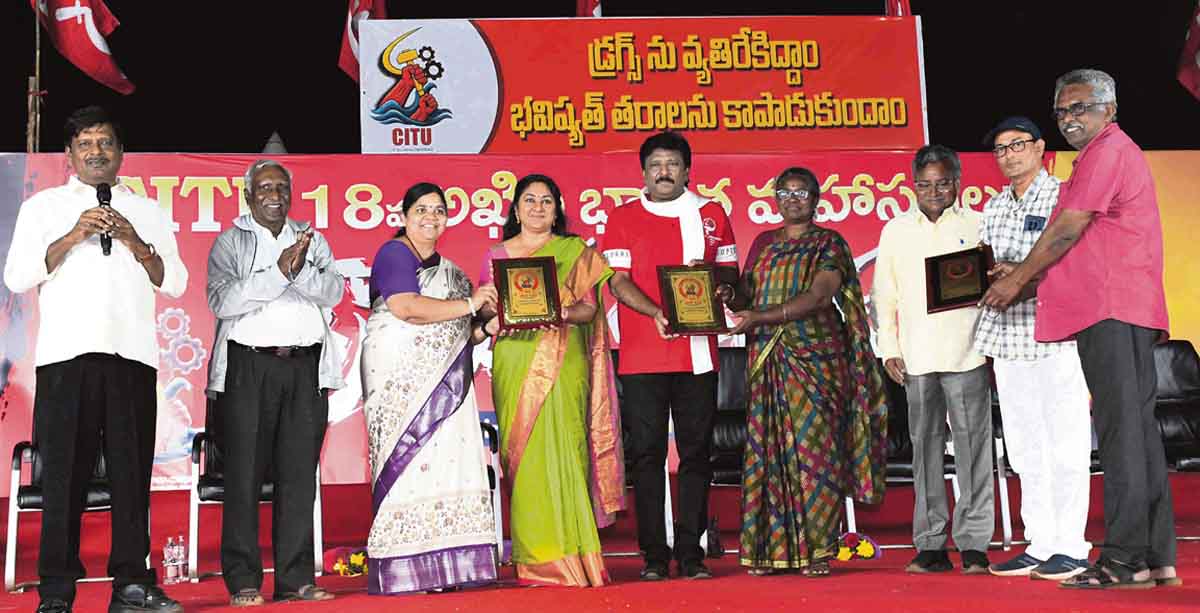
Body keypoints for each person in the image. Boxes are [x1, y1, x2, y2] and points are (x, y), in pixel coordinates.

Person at [982, 69, 1178, 589]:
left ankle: (1123, 560)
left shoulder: (1107, 151)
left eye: (1080, 107)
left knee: (1121, 434)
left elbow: (1069, 228)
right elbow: (1075, 244)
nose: (1069, 118)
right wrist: (1023, 279)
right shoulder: (1095, 156)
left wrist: (1016, 280)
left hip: (1112, 308)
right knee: (1136, 433)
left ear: (1108, 110)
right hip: (1114, 308)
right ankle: (1155, 557)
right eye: (1062, 110)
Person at [3, 106, 187, 613]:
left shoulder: (147, 210)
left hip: (132, 356)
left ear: (121, 152)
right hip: (66, 358)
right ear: (69, 155)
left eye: (105, 142)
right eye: (85, 144)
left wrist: (134, 240)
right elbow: (17, 277)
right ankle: (56, 591)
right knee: (63, 476)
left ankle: (131, 584)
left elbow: (175, 281)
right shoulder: (44, 207)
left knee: (131, 475)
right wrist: (73, 234)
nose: (96, 152)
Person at [728, 167, 887, 577]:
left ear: (816, 199)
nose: (793, 199)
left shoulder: (829, 243)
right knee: (769, 452)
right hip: (769, 358)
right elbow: (745, 293)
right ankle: (770, 551)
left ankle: (818, 550)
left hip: (818, 359)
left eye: (801, 193)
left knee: (816, 454)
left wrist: (762, 316)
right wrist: (726, 291)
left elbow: (819, 296)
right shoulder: (763, 243)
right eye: (785, 192)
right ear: (775, 198)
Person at [598, 131, 739, 581]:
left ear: (687, 170)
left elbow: (730, 273)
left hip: (698, 355)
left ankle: (692, 552)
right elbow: (617, 281)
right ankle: (654, 555)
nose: (664, 172)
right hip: (642, 357)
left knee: (697, 454)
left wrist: (722, 288)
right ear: (643, 172)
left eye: (672, 164)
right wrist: (655, 312)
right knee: (647, 456)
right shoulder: (622, 217)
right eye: (656, 164)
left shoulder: (711, 213)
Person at [206, 160, 344, 606]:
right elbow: (222, 300)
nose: (274, 196)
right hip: (250, 366)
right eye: (264, 188)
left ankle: (295, 579)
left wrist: (300, 270)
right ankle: (244, 580)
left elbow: (334, 292)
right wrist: (279, 274)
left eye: (282, 188)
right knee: (243, 476)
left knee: (298, 476)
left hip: (305, 367)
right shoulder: (231, 241)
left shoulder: (311, 238)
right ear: (248, 195)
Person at [478, 174, 625, 586]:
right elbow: (487, 310)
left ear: (557, 209)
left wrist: (554, 311)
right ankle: (537, 560)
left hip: (565, 358)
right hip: (514, 357)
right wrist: (496, 312)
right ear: (516, 209)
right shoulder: (496, 255)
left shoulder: (575, 251)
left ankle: (574, 556)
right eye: (530, 200)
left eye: (547, 201)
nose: (538, 208)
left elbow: (588, 311)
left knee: (567, 448)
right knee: (524, 456)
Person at [360, 182, 500, 594]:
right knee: (408, 465)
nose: (430, 217)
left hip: (446, 385)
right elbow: (406, 308)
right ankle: (406, 564)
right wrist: (471, 305)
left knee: (447, 465)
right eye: (421, 209)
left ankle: (450, 567)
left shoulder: (452, 273)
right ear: (403, 216)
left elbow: (460, 333)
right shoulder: (394, 253)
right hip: (397, 380)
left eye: (439, 210)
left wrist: (487, 325)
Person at [974, 117, 1092, 581]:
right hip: (1007, 340)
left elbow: (1073, 262)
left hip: (1056, 337)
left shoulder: (1063, 196)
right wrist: (987, 274)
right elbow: (984, 266)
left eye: (1017, 145)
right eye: (1001, 149)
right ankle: (1040, 544)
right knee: (1024, 449)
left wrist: (1019, 273)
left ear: (1040, 148)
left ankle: (1072, 547)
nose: (1008, 155)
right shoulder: (994, 206)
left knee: (1066, 444)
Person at [873, 145, 994, 575]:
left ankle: (975, 544)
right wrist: (890, 349)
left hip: (968, 354)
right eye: (924, 184)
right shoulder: (896, 230)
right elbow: (884, 296)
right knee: (924, 450)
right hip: (916, 357)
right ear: (913, 186)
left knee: (973, 450)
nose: (934, 192)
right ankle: (930, 544)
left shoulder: (979, 224)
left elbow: (993, 287)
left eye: (943, 183)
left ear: (957, 182)